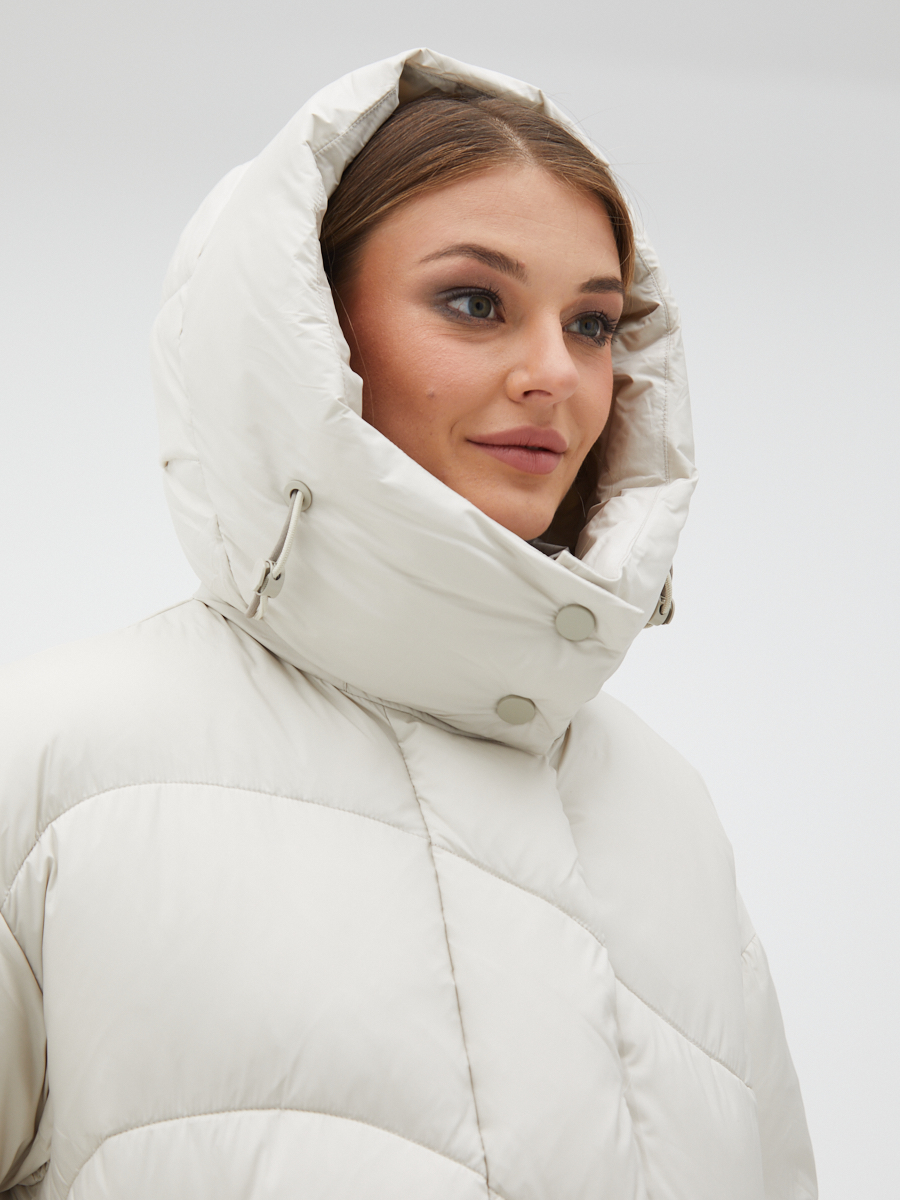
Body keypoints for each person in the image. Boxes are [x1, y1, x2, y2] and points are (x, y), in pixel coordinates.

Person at [0, 48, 816, 1200]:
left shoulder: (668, 816)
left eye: (594, 323)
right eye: (475, 303)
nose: (556, 373)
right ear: (309, 330)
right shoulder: (58, 764)